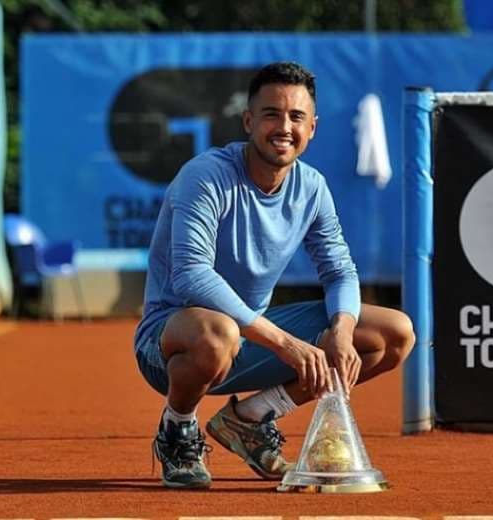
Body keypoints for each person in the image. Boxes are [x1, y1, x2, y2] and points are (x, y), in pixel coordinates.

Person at [133, 61, 415, 489]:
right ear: (249, 121)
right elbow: (191, 275)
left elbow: (340, 270)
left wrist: (341, 330)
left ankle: (250, 418)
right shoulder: (205, 176)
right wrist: (285, 344)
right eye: (271, 114)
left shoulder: (313, 187)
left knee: (393, 333)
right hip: (173, 343)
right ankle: (178, 428)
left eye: (296, 117)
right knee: (217, 333)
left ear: (312, 128)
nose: (284, 127)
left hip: (249, 338)